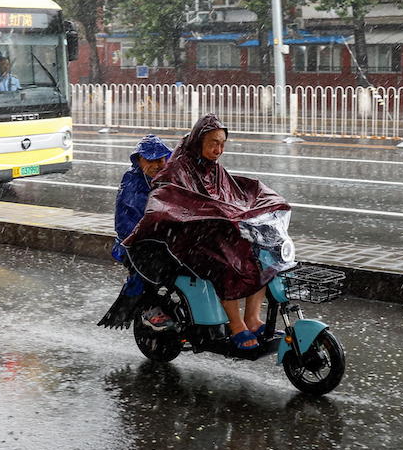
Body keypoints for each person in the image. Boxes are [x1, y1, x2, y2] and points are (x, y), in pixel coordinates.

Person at [123, 113, 290, 351]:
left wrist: (255, 209)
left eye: (222, 144)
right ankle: (236, 325)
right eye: (213, 143)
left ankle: (252, 319)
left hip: (212, 231)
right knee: (226, 262)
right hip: (184, 238)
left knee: (261, 258)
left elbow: (232, 196)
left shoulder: (214, 168)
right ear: (199, 141)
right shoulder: (178, 168)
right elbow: (169, 201)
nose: (218, 149)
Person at [97, 134, 173, 330]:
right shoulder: (131, 182)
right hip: (134, 244)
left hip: (165, 238)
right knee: (150, 267)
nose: (158, 164)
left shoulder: (168, 179)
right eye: (151, 160)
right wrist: (145, 238)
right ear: (139, 161)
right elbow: (125, 223)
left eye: (161, 159)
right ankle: (148, 308)